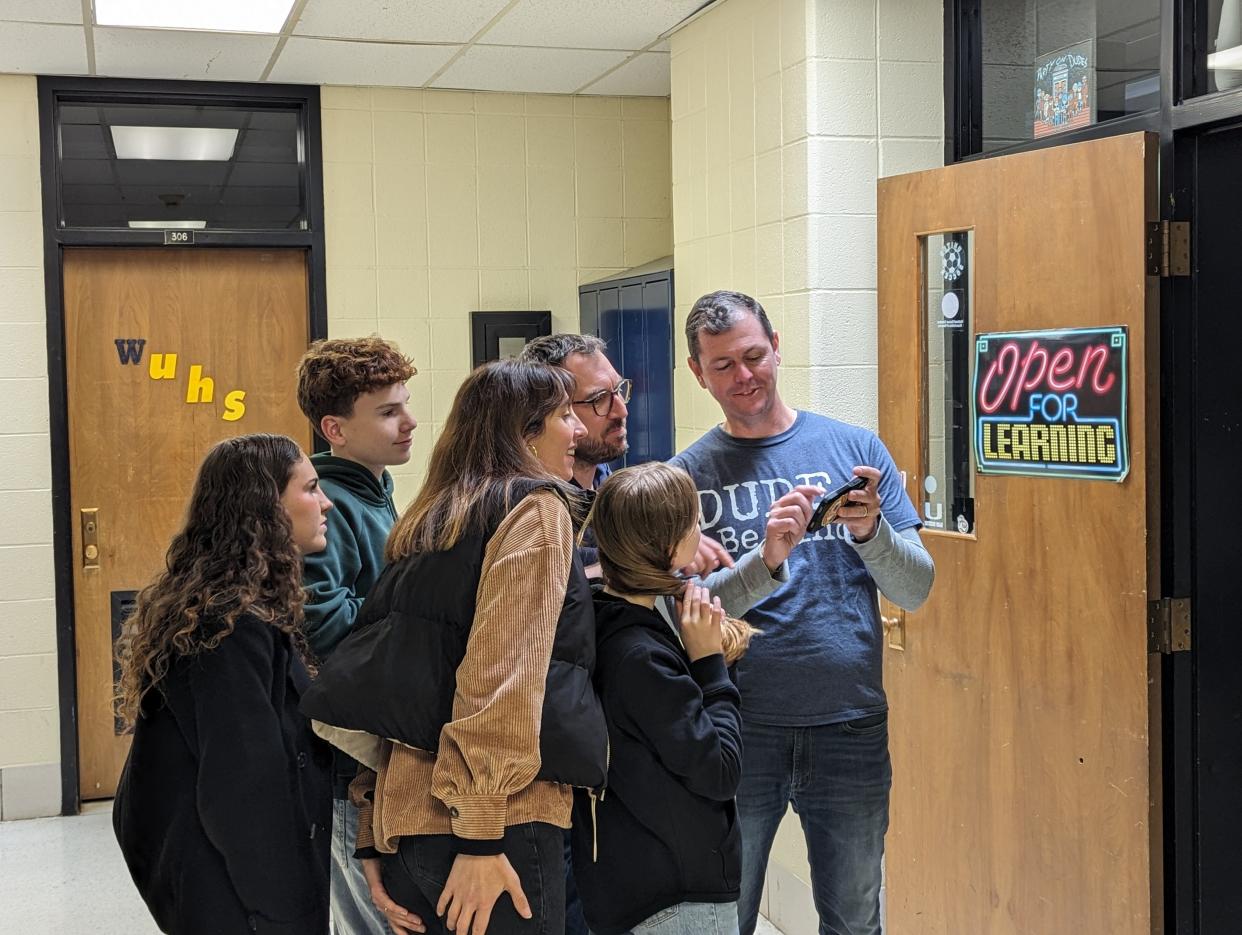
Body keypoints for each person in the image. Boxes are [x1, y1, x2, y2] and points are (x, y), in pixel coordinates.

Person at [518, 333, 818, 935]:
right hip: (585, 822)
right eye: (599, 399)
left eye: (619, 391)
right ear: (553, 415)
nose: (622, 409)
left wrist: (677, 577)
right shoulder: (531, 523)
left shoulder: (608, 507)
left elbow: (686, 626)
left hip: (637, 831)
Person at [671, 291, 935, 935]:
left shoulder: (854, 450)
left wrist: (872, 533)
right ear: (697, 372)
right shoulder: (684, 480)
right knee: (723, 915)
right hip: (737, 730)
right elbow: (686, 623)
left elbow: (917, 589)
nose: (745, 376)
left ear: (777, 346)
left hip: (849, 726)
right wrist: (767, 559)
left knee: (854, 918)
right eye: (724, 365)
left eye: (754, 356)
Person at [315, 360, 608, 935]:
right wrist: (480, 836)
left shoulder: (432, 515)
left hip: (409, 822)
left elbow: (392, 685)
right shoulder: (536, 510)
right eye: (563, 414)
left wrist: (374, 830)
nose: (577, 430)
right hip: (491, 832)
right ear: (522, 431)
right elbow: (500, 679)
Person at [572, 461, 815, 935]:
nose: (700, 531)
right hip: (675, 901)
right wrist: (710, 665)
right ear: (668, 546)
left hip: (635, 885)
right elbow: (719, 770)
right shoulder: (640, 657)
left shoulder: (605, 621)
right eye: (694, 522)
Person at [112, 433, 335, 934]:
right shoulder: (227, 630)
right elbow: (242, 788)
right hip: (234, 889)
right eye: (311, 488)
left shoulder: (242, 611)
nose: (326, 502)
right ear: (266, 509)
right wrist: (285, 910)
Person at [295, 335, 418, 935]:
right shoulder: (330, 503)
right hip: (348, 760)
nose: (410, 421)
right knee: (370, 919)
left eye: (405, 404)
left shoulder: (374, 492)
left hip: (377, 745)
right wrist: (417, 625)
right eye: (388, 411)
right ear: (334, 429)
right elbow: (322, 631)